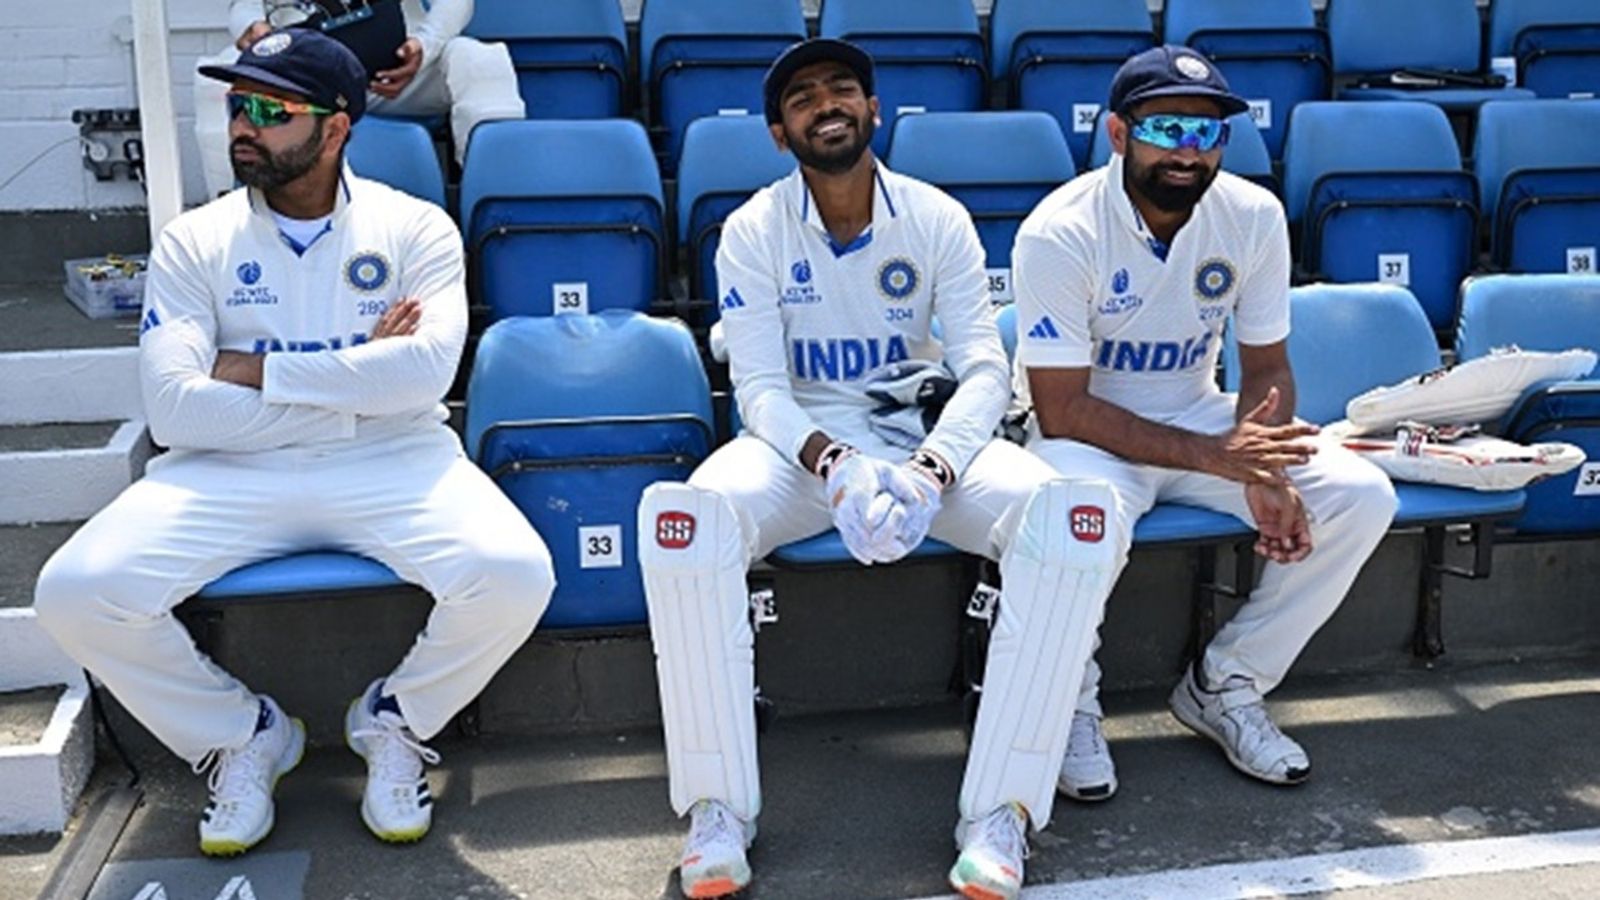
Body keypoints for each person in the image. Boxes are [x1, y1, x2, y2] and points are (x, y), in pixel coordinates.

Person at [33, 30, 553, 857]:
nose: (245, 124)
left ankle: (394, 719)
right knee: (73, 591)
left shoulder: (415, 227)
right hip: (228, 471)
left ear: (337, 126)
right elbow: (175, 413)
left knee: (517, 575)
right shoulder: (192, 240)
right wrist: (358, 388)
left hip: (396, 461)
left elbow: (423, 377)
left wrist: (250, 370)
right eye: (239, 106)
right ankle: (244, 734)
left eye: (271, 110)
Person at [636, 39, 1118, 900]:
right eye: (803, 98)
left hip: (923, 438)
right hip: (804, 450)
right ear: (780, 135)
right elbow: (758, 387)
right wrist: (836, 464)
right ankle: (717, 808)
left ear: (873, 110)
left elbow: (981, 369)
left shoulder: (936, 218)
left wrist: (933, 470)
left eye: (843, 90)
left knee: (1069, 521)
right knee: (690, 520)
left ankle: (1000, 812)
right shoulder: (751, 229)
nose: (827, 104)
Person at [1013, 45, 1398, 802]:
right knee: (1073, 517)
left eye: (1206, 134)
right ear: (1119, 134)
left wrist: (1269, 465)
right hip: (1087, 435)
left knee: (1360, 495)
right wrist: (1226, 458)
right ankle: (1069, 703)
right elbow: (1062, 406)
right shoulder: (1057, 231)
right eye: (1166, 131)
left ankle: (1226, 684)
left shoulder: (1251, 215)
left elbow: (1265, 369)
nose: (1187, 153)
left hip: (1202, 415)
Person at [193, 0, 524, 198]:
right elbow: (243, 5)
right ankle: (227, 213)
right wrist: (252, 28)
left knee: (481, 60)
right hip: (303, 79)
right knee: (209, 79)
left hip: (395, 71)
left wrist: (425, 46)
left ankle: (501, 208)